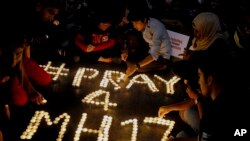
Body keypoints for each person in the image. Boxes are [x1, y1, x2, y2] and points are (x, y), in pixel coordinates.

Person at [124, 9, 172, 77]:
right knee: (129, 60)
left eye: (136, 23)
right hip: (149, 48)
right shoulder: (145, 25)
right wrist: (126, 51)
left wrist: (135, 66)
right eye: (133, 23)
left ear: (144, 20)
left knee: (132, 65)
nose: (134, 26)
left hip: (161, 57)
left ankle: (162, 66)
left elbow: (154, 55)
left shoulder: (157, 29)